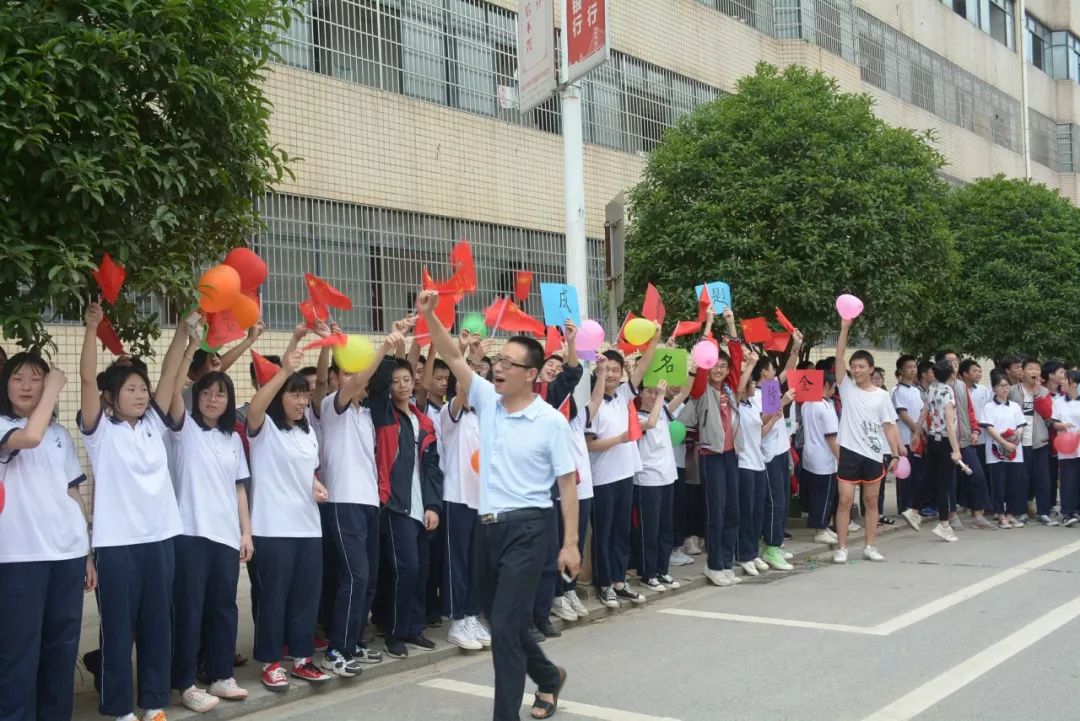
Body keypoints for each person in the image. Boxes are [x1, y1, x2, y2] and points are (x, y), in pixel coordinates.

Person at [419, 289, 579, 721]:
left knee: (506, 629)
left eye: (509, 363)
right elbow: (453, 356)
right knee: (498, 618)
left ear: (531, 374)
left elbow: (567, 483)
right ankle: (548, 678)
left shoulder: (549, 422)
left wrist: (570, 544)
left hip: (530, 528)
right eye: (498, 361)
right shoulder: (488, 400)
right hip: (486, 529)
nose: (499, 368)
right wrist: (430, 316)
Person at [79, 303, 188, 721]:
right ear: (112, 397)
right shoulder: (99, 432)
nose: (141, 395)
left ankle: (154, 703)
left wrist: (182, 330)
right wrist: (91, 328)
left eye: (142, 389)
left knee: (158, 625)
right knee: (118, 632)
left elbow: (170, 375)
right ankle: (120, 709)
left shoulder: (153, 426)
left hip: (161, 539)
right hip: (118, 546)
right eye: (131, 389)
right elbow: (89, 379)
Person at [0, 355, 94, 721]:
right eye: (17, 378)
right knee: (18, 651)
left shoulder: (60, 435)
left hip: (66, 556)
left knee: (61, 649)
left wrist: (85, 553)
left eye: (35, 379)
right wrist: (53, 388)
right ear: (5, 385)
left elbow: (71, 493)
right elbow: (30, 437)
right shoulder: (5, 425)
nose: (26, 386)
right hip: (18, 559)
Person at [166, 330, 253, 711]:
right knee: (190, 608)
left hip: (225, 535)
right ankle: (184, 682)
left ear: (229, 400)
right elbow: (170, 390)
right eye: (206, 393)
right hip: (189, 533)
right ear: (195, 396)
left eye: (220, 394)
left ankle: (220, 675)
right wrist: (187, 348)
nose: (213, 399)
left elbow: (239, 489)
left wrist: (245, 532)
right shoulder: (183, 429)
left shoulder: (232, 439)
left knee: (223, 606)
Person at [246, 327, 332, 691]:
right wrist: (286, 364)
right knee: (274, 599)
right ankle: (269, 661)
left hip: (308, 528)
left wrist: (315, 485)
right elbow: (254, 407)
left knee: (304, 598)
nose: (301, 402)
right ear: (281, 396)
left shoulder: (306, 432)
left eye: (305, 395)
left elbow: (305, 471)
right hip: (273, 528)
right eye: (295, 395)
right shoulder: (264, 429)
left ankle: (301, 659)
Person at [317, 334, 394, 676]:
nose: (355, 380)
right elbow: (358, 379)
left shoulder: (366, 414)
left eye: (358, 376)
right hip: (342, 501)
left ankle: (354, 642)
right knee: (354, 576)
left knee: (369, 579)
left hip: (367, 503)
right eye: (346, 374)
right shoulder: (331, 407)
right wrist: (384, 347)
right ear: (336, 379)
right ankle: (336, 649)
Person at [369, 343, 443, 660]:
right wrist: (392, 348)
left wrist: (433, 506)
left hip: (420, 506)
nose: (402, 385)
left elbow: (432, 469)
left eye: (406, 380)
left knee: (421, 569)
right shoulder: (384, 415)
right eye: (395, 380)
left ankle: (415, 627)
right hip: (395, 504)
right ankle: (395, 632)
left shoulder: (422, 421)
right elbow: (374, 384)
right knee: (405, 568)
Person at [586, 329, 659, 608]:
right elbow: (589, 445)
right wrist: (619, 439)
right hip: (602, 479)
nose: (612, 375)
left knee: (621, 531)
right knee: (603, 533)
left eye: (616, 370)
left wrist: (655, 339)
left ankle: (619, 580)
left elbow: (642, 366)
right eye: (607, 370)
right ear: (599, 372)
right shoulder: (592, 403)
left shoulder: (623, 396)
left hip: (625, 474)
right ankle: (604, 583)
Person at [677, 307, 744, 587]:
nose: (720, 369)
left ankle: (726, 562)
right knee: (715, 512)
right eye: (716, 364)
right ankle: (714, 564)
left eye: (724, 366)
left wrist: (731, 325)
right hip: (710, 456)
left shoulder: (729, 389)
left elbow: (738, 360)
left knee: (731, 511)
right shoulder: (702, 390)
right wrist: (709, 324)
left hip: (730, 455)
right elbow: (703, 365)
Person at [831, 312, 902, 564]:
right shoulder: (847, 388)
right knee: (845, 501)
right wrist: (844, 328)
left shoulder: (881, 396)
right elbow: (838, 357)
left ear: (871, 369)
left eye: (862, 366)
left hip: (873, 453)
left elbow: (889, 426)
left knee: (871, 502)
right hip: (849, 452)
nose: (857, 369)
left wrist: (895, 453)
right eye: (854, 366)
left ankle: (870, 545)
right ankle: (841, 548)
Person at [440, 332, 489, 651]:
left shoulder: (486, 416)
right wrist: (467, 359)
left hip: (482, 499)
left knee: (477, 562)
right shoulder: (451, 413)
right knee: (457, 561)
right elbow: (462, 381)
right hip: (456, 497)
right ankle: (458, 620)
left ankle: (472, 615)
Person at [633, 378, 690, 591]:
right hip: (647, 480)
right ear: (640, 394)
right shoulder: (637, 417)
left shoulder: (664, 411)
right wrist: (660, 396)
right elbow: (651, 423)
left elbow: (684, 393)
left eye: (655, 392)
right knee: (650, 529)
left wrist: (692, 368)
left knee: (666, 528)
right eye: (649, 391)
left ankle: (662, 570)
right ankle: (648, 573)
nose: (653, 395)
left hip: (667, 478)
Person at [734, 352, 772, 578]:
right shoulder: (737, 403)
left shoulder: (751, 406)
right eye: (750, 381)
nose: (754, 385)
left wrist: (777, 412)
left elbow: (761, 430)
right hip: (744, 465)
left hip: (759, 463)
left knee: (758, 511)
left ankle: (753, 550)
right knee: (745, 512)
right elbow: (738, 388)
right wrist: (751, 364)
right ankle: (744, 554)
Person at [919, 361, 963, 543]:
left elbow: (924, 412)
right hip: (945, 440)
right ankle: (944, 524)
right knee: (945, 485)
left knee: (931, 478)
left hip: (932, 437)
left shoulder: (931, 389)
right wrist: (956, 450)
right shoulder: (947, 392)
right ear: (951, 375)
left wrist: (916, 433)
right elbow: (950, 425)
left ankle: (913, 509)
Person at [1009, 358, 1055, 525]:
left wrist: (1037, 393)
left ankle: (1043, 512)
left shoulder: (1043, 391)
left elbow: (1048, 414)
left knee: (1042, 477)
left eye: (1037, 368)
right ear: (1022, 372)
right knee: (1021, 478)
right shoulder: (1013, 391)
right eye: (1030, 368)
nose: (1034, 371)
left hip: (1039, 440)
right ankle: (1020, 511)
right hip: (1020, 442)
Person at [981, 369, 1027, 528]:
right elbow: (990, 428)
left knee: (1015, 483)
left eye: (1006, 385)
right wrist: (1004, 442)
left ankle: (1010, 514)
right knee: (999, 484)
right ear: (994, 389)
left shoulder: (1014, 406)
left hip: (1015, 450)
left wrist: (1017, 435)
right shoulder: (988, 407)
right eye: (1001, 386)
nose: (1004, 388)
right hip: (996, 451)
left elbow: (1021, 425)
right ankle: (1000, 515)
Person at [800, 372, 840, 544]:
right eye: (833, 386)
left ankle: (821, 527)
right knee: (824, 496)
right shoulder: (825, 406)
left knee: (816, 495)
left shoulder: (806, 404)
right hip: (824, 457)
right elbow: (831, 436)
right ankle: (820, 529)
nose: (834, 390)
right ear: (826, 385)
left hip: (810, 456)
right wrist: (840, 458)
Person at [954, 359, 994, 529]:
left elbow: (972, 412)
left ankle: (978, 514)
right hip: (947, 441)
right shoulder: (941, 389)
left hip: (969, 439)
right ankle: (951, 515)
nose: (979, 373)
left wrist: (976, 430)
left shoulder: (970, 389)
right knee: (952, 480)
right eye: (975, 370)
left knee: (977, 475)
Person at [891, 355, 924, 530]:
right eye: (909, 367)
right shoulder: (897, 391)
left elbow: (921, 412)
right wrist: (917, 430)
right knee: (905, 475)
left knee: (918, 475)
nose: (912, 370)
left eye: (914, 366)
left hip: (917, 439)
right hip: (904, 439)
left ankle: (913, 507)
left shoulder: (916, 390)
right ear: (901, 371)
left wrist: (921, 431)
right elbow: (903, 415)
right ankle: (904, 507)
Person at [1052, 370, 1080, 526]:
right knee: (1068, 480)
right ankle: (1067, 513)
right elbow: (1053, 422)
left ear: (1074, 383)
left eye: (1064, 379)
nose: (1060, 382)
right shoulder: (1058, 401)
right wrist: (1061, 425)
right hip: (1066, 447)